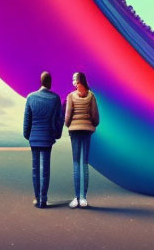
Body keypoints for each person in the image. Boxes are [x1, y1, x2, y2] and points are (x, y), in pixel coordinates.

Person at [23, 71, 64, 208]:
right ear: (50, 83)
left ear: (40, 82)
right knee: (45, 169)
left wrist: (27, 135)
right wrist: (57, 134)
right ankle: (44, 199)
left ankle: (37, 198)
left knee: (35, 169)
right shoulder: (55, 98)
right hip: (47, 137)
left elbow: (27, 120)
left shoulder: (30, 97)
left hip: (34, 137)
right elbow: (59, 120)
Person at [65, 71, 100, 208]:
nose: (73, 81)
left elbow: (67, 118)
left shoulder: (70, 96)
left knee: (76, 164)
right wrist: (89, 123)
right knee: (84, 164)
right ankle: (84, 198)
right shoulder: (91, 96)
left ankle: (76, 197)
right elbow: (96, 117)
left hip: (74, 131)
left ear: (79, 81)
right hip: (86, 131)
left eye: (74, 79)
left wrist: (69, 124)